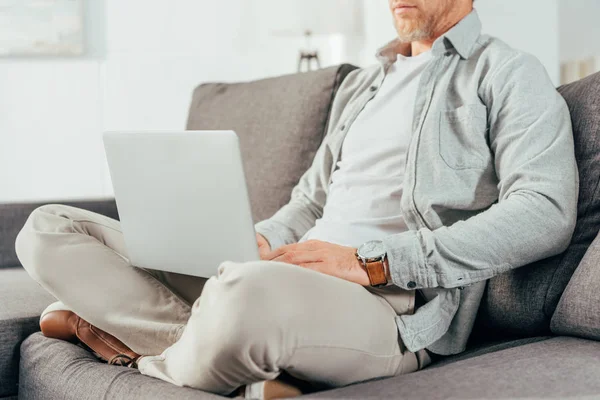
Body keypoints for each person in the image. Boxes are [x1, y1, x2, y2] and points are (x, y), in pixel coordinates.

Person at [16, 0, 578, 398]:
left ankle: (125, 345)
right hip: (284, 274)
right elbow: (309, 203)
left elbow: (546, 212)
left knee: (242, 293)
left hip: (391, 306)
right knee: (48, 230)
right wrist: (262, 238)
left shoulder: (505, 73)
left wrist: (373, 262)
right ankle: (217, 342)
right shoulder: (365, 85)